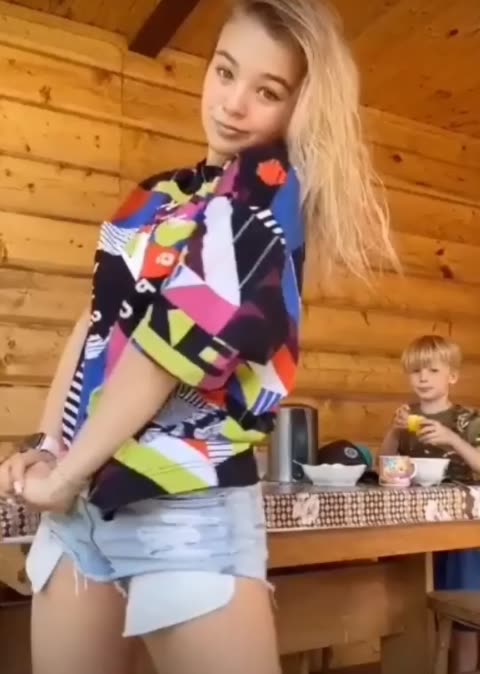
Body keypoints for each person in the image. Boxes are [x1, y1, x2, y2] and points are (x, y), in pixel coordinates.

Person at [0, 1, 397, 673]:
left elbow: (166, 351)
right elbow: (95, 325)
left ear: (301, 107)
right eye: (225, 71)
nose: (232, 104)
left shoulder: (263, 201)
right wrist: (47, 446)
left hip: (182, 511)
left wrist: (63, 473)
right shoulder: (155, 197)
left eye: (267, 91)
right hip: (82, 507)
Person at [381, 334, 480, 674]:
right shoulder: (407, 416)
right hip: (417, 527)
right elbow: (386, 464)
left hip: (462, 531)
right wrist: (394, 432)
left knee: (462, 607)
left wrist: (451, 438)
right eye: (416, 371)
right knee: (416, 601)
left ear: (452, 376)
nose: (423, 378)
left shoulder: (467, 420)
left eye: (433, 371)